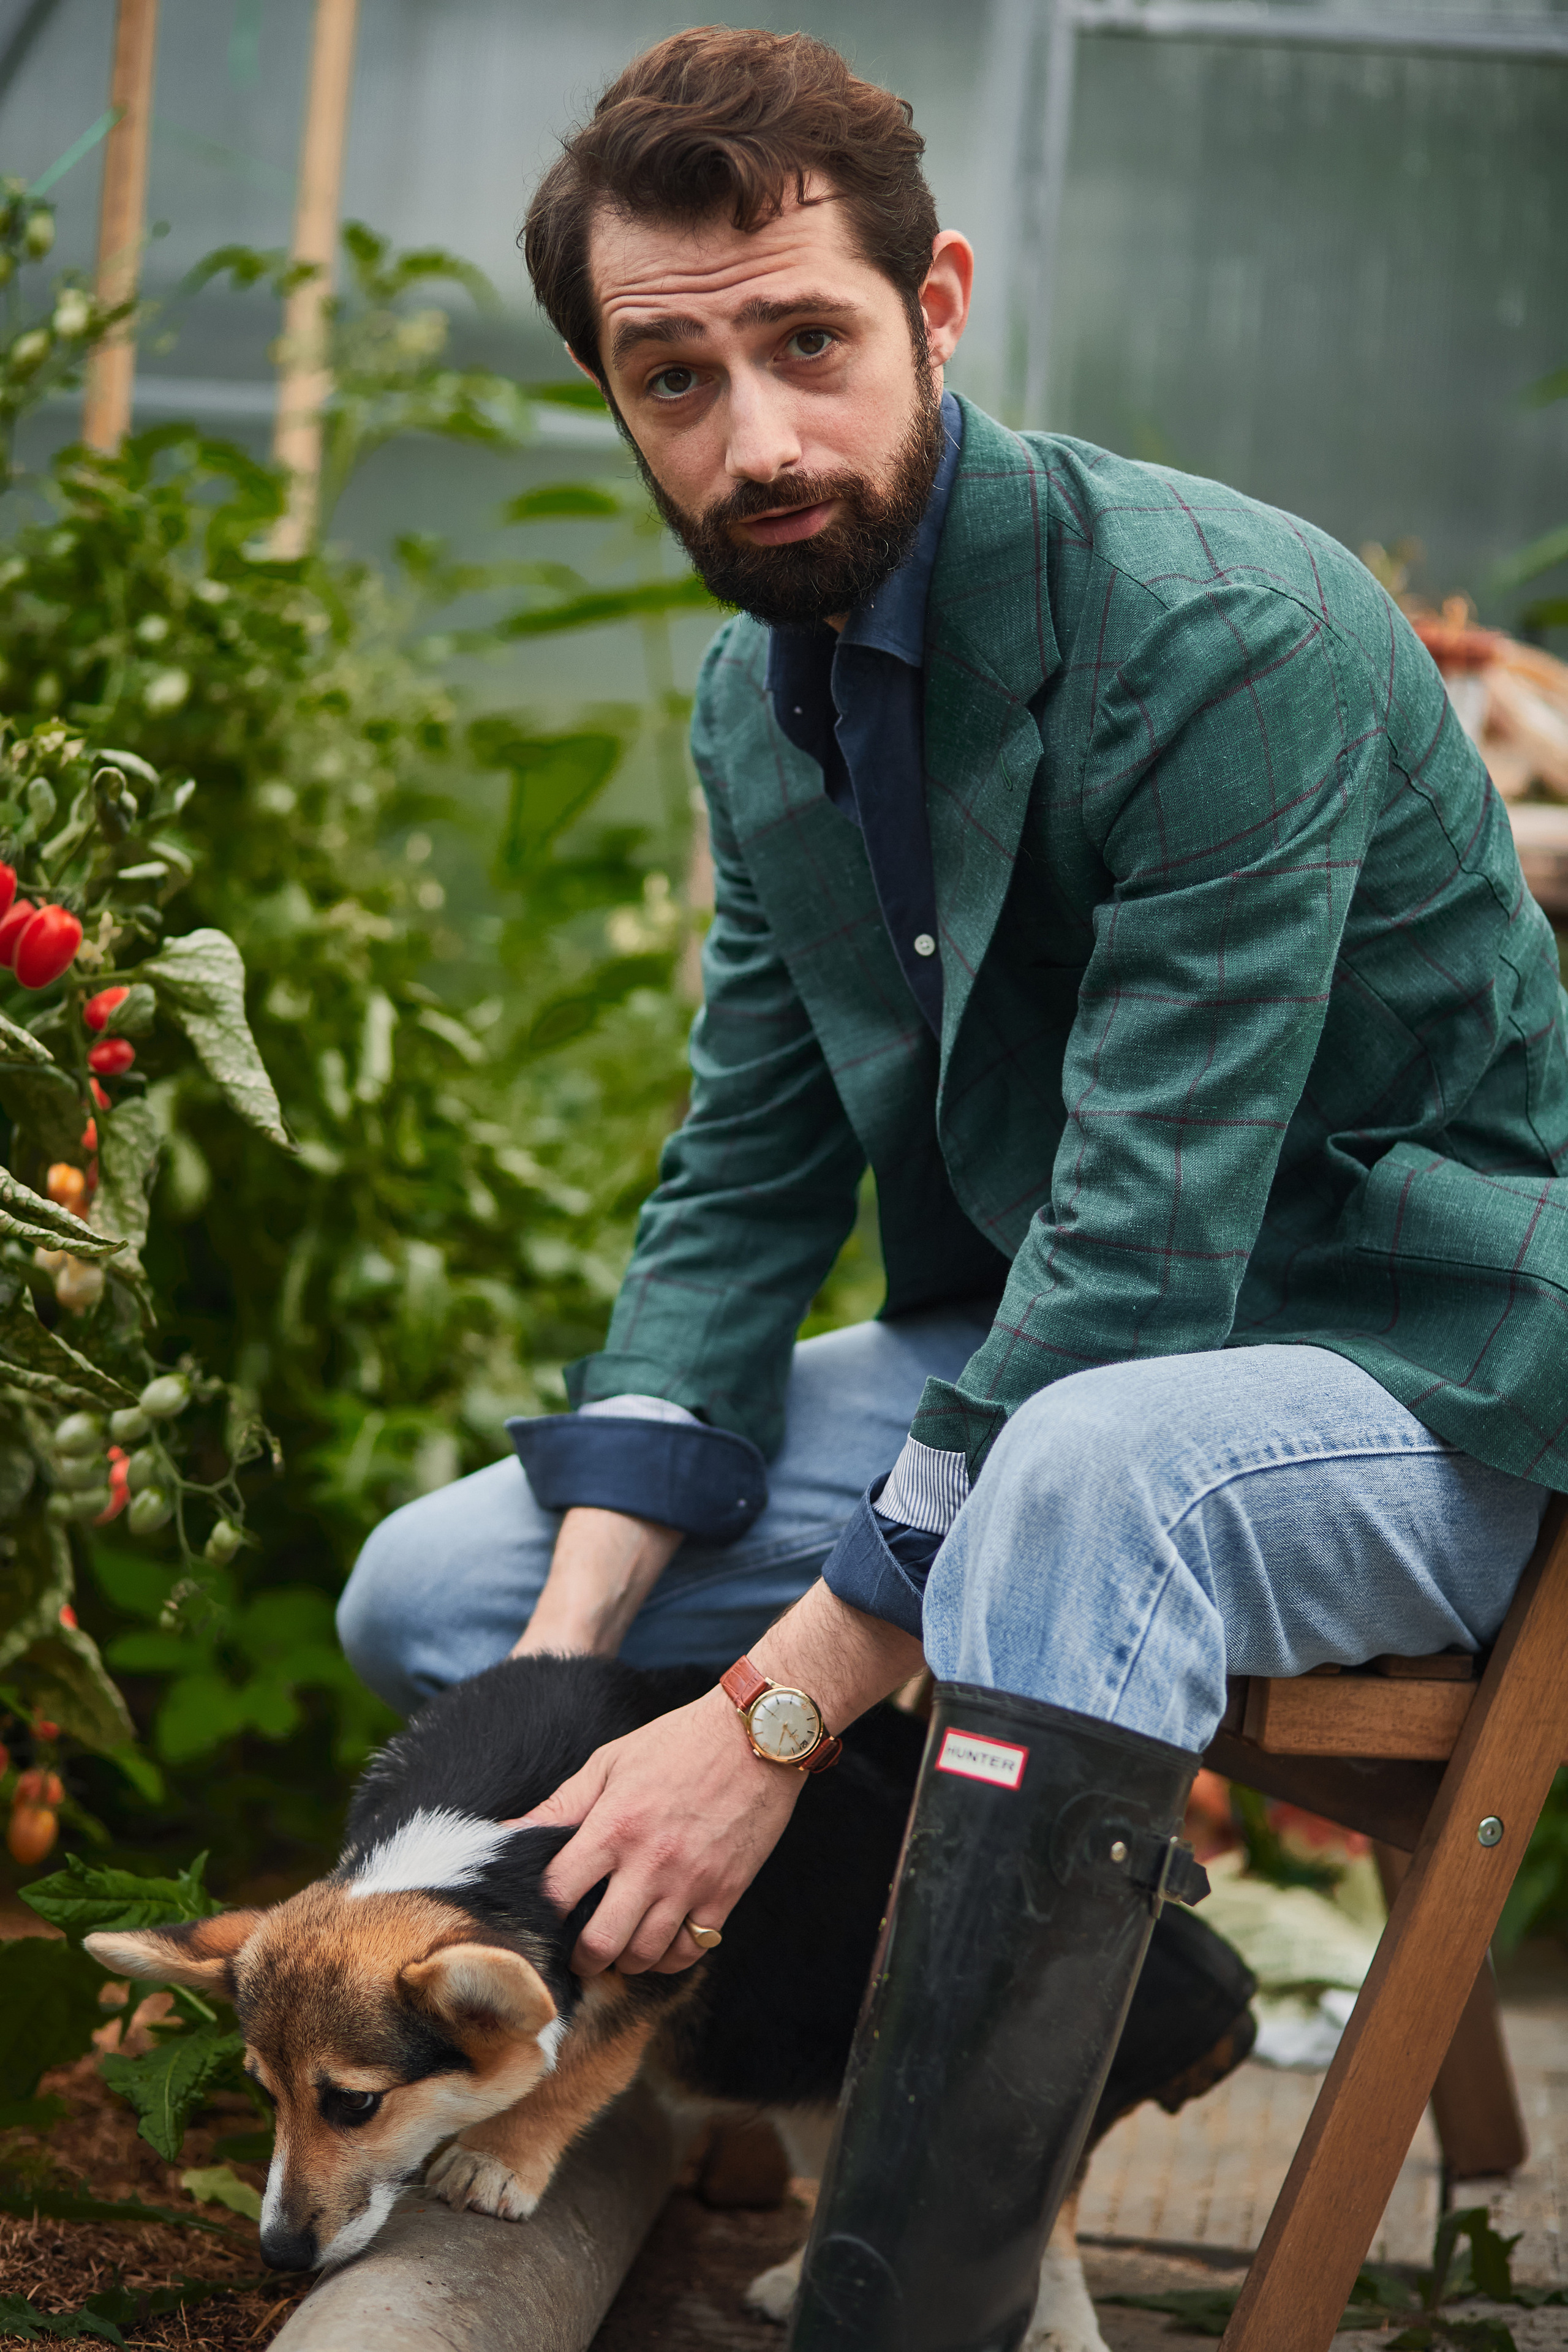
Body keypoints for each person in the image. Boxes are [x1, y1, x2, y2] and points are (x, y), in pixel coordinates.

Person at [337, 27, 1565, 2350]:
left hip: (1412, 1368)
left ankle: (921, 2304)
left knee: (1075, 1478)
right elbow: (741, 1179)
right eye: (670, 375)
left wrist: (768, 1725)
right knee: (442, 1601)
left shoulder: (1228, 637)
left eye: (808, 342)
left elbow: (1139, 1258)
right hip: (1051, 1381)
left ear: (941, 304)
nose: (754, 438)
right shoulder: (758, 694)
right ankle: (968, 2043)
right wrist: (572, 1686)